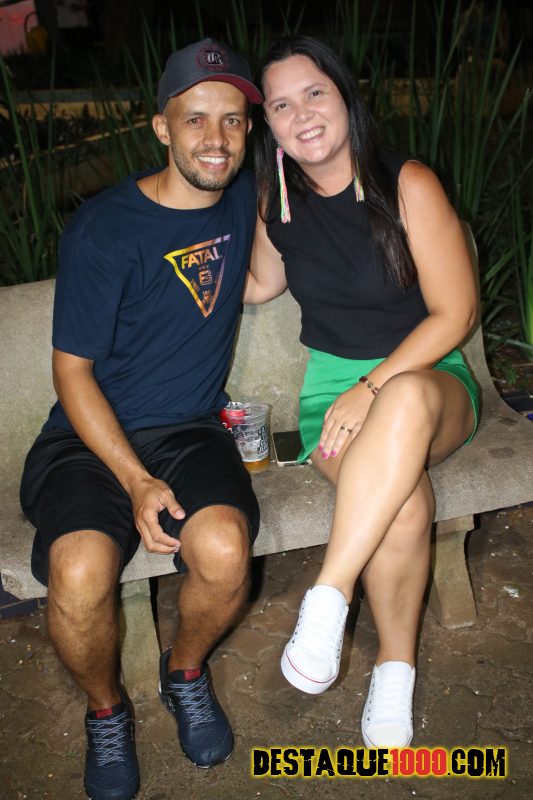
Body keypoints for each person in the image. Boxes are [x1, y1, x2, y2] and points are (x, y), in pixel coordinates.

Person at [20, 38, 262, 800]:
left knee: (224, 550)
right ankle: (106, 710)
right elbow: (72, 372)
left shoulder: (245, 194)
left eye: (232, 120)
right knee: (78, 571)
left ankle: (184, 671)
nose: (216, 139)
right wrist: (134, 480)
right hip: (88, 440)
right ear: (161, 128)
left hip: (188, 431)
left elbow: (263, 272)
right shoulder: (104, 229)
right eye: (195, 119)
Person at [244, 35, 480, 748]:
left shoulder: (406, 184)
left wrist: (373, 385)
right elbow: (258, 283)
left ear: (345, 96)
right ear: (269, 124)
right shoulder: (275, 202)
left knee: (402, 400)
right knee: (402, 505)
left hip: (428, 381)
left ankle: (328, 595)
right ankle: (394, 673)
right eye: (281, 105)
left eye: (314, 93)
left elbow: (454, 314)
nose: (302, 115)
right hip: (332, 395)